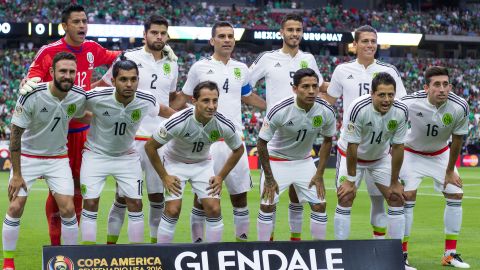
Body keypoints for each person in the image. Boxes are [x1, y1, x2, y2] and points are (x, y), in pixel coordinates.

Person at [22, 4, 120, 246]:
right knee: (57, 191)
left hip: (82, 131)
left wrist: (148, 51)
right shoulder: (50, 51)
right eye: (76, 22)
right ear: (65, 26)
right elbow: (32, 76)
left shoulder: (92, 49)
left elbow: (119, 58)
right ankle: (56, 245)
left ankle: (72, 243)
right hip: (55, 131)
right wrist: (29, 83)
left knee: (79, 186)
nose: (82, 26)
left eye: (84, 21)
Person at [173, 21, 265, 242]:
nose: (227, 40)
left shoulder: (240, 68)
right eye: (222, 36)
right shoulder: (199, 67)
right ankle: (199, 245)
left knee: (239, 195)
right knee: (202, 197)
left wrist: (272, 106)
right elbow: (185, 97)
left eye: (230, 36)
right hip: (208, 142)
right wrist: (162, 111)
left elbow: (247, 96)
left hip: (235, 140)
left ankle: (241, 242)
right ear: (212, 41)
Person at [2, 52, 86, 270]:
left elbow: (91, 111)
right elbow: (15, 133)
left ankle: (69, 261)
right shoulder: (32, 94)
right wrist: (17, 174)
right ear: (51, 72)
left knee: (68, 209)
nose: (67, 76)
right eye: (63, 71)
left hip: (57, 158)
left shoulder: (78, 96)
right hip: (28, 157)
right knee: (16, 206)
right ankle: (9, 262)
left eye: (71, 72)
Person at [249, 13, 327, 241]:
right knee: (269, 200)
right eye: (290, 30)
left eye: (298, 30)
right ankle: (267, 248)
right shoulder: (267, 58)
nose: (294, 34)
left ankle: (298, 244)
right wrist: (268, 108)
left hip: (302, 138)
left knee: (299, 198)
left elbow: (320, 87)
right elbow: (245, 87)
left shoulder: (309, 59)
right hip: (276, 139)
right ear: (281, 33)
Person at [101, 15, 179, 244]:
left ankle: (155, 251)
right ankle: (109, 248)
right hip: (131, 139)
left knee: (157, 197)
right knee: (123, 197)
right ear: (145, 34)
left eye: (163, 33)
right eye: (154, 32)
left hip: (160, 140)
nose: (159, 37)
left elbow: (171, 98)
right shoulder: (129, 58)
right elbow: (105, 87)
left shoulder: (172, 63)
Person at [324, 25, 407, 240]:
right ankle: (341, 253)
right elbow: (330, 102)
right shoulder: (342, 70)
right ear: (355, 44)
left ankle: (389, 253)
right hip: (352, 148)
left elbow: (402, 104)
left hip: (379, 151)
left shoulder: (389, 71)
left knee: (389, 198)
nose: (370, 45)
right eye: (365, 41)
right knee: (345, 196)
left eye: (373, 41)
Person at [79, 59, 175, 245]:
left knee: (135, 204)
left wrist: (191, 117)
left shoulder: (146, 99)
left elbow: (165, 111)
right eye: (123, 79)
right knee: (90, 203)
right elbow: (74, 110)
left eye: (133, 79)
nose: (129, 84)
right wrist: (97, 120)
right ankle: (88, 255)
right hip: (95, 155)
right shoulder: (97, 96)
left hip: (126, 156)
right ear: (113, 81)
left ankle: (135, 255)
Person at [145, 81, 245, 243]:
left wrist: (220, 177)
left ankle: (211, 256)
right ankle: (161, 256)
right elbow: (150, 146)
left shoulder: (223, 123)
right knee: (172, 209)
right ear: (194, 101)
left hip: (203, 165)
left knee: (214, 208)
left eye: (215, 100)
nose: (211, 106)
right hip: (175, 163)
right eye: (206, 100)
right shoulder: (178, 121)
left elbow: (238, 149)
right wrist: (164, 176)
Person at [333, 72, 410, 267]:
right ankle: (340, 256)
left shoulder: (401, 110)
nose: (387, 100)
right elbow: (352, 146)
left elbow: (399, 146)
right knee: (345, 197)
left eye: (391, 95)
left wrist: (394, 182)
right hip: (352, 157)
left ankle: (396, 258)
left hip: (380, 158)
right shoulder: (359, 108)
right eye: (382, 95)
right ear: (372, 93)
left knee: (396, 198)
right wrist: (350, 180)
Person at [400, 66, 470, 269]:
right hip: (411, 154)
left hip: (440, 154)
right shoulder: (409, 102)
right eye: (437, 84)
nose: (442, 89)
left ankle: (450, 255)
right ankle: (402, 254)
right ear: (426, 87)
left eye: (446, 84)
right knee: (407, 196)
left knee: (456, 193)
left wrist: (449, 170)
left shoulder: (460, 106)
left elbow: (457, 139)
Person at [256, 68, 335, 241]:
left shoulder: (326, 110)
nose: (312, 91)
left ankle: (316, 252)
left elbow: (328, 140)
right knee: (267, 206)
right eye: (305, 86)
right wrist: (269, 178)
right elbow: (261, 144)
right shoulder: (279, 109)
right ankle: (264, 251)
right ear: (294, 88)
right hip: (277, 161)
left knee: (320, 205)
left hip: (304, 162)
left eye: (315, 86)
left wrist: (320, 174)